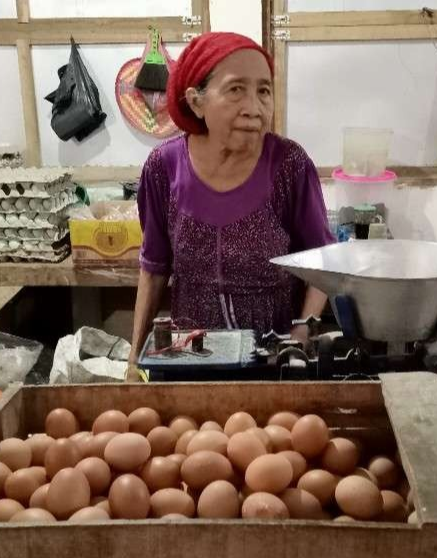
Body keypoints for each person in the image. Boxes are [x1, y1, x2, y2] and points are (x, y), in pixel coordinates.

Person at [128, 32, 335, 379]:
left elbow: (321, 261)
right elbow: (154, 267)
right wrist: (134, 362)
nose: (254, 108)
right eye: (236, 89)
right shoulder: (163, 168)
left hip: (272, 358)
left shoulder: (289, 165)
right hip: (192, 357)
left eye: (263, 91)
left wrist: (300, 340)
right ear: (196, 102)